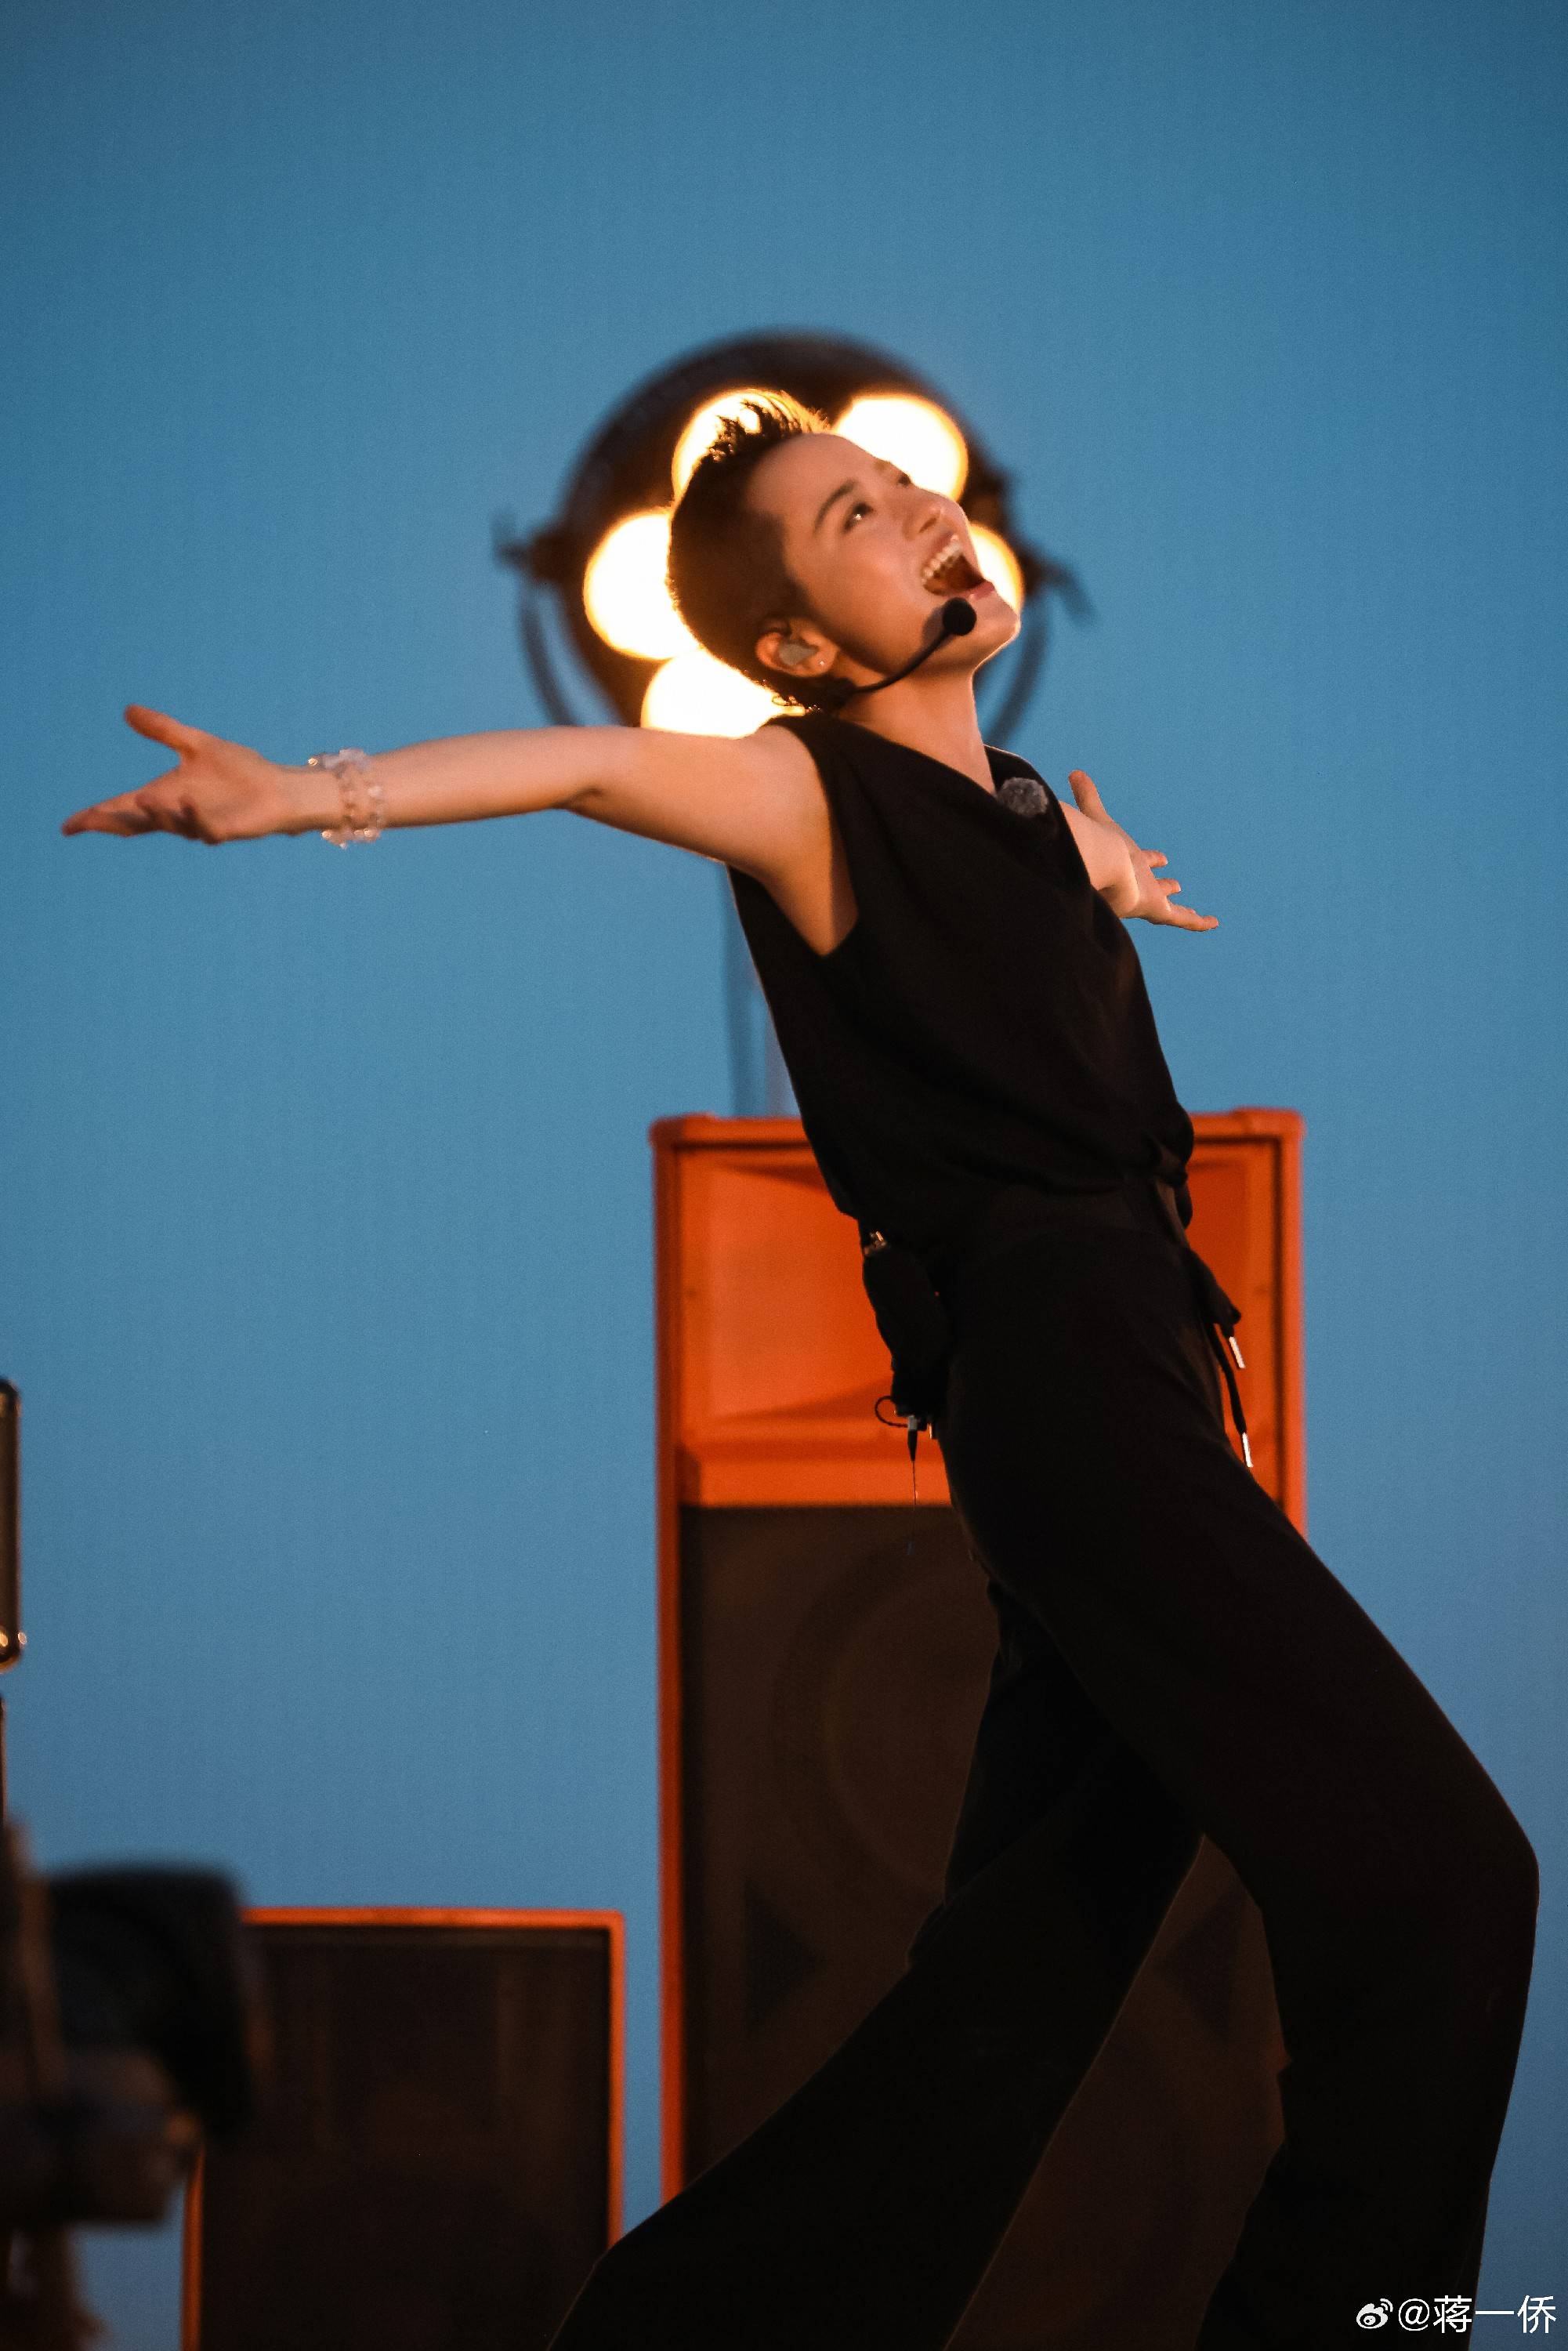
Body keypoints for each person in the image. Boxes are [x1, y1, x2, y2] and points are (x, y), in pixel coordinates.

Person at [64, 397, 1537, 2349]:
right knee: (1442, 1884)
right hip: (1067, 1386)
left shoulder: (1010, 809)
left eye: (908, 483)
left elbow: (1016, 866)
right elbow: (587, 763)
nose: (918, 509)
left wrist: (1091, 864)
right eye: (853, 514)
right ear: (792, 647)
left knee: (1021, 1980)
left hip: (1125, 1382)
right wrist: (306, 793)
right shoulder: (801, 795)